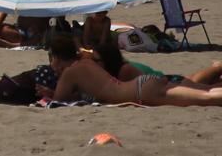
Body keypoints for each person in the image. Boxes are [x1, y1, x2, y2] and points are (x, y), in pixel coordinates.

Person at [42, 35, 222, 106]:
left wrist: (48, 93)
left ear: (57, 58)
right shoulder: (87, 63)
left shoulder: (70, 73)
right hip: (142, 84)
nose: (51, 66)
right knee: (208, 92)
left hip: (140, 91)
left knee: (206, 99)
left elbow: (57, 102)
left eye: (52, 60)